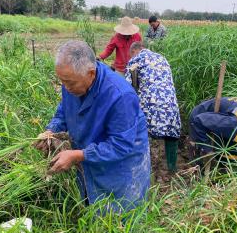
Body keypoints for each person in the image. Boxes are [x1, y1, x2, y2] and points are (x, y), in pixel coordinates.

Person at [34, 40, 151, 212]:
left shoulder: (120, 95)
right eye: (62, 82)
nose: (66, 88)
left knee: (120, 214)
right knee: (92, 205)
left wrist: (79, 155)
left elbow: (120, 145)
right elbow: (64, 111)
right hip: (88, 155)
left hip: (121, 164)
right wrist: (51, 131)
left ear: (91, 73)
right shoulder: (73, 81)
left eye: (70, 83)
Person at [125, 42, 181, 172]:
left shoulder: (135, 60)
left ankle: (146, 169)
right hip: (170, 104)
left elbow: (128, 89)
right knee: (171, 134)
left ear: (134, 51)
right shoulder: (162, 58)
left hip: (150, 106)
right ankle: (172, 168)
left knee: (142, 133)